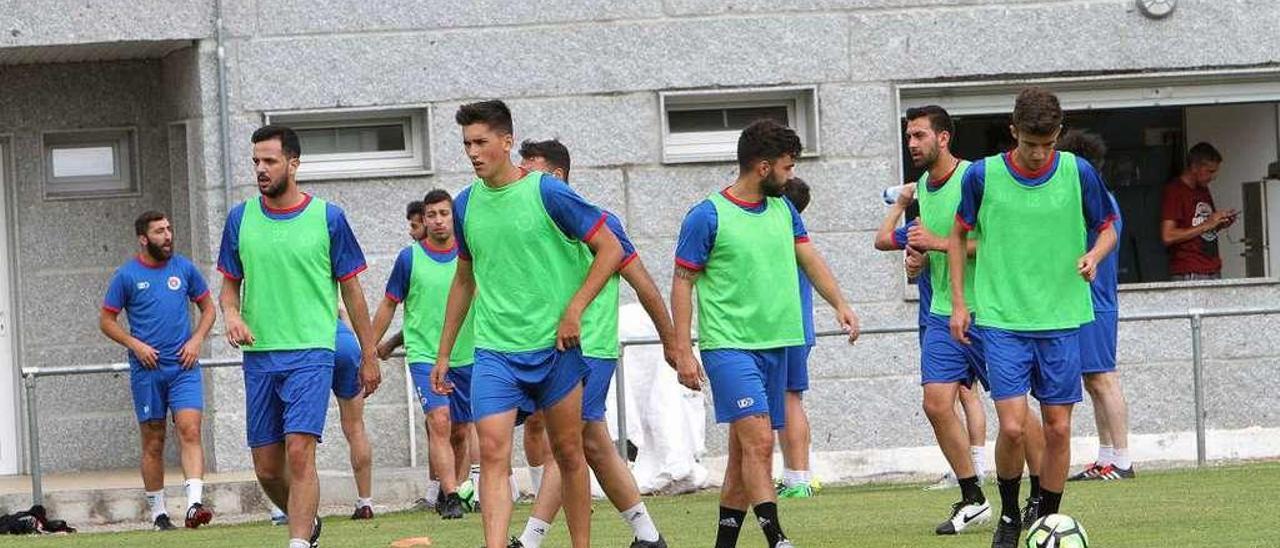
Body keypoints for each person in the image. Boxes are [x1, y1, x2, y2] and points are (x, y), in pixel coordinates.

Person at [432, 100, 625, 548]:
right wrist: (444, 352)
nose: (473, 153)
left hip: (556, 350)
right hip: (495, 351)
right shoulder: (464, 205)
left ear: (506, 141)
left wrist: (574, 309)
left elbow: (610, 249)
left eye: (481, 142)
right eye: (466, 144)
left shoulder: (548, 192)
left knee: (569, 452)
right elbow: (464, 279)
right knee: (494, 453)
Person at [673, 119, 860, 548]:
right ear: (762, 167)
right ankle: (777, 538)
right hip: (729, 346)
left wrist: (841, 304)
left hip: (778, 343)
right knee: (759, 441)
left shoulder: (784, 210)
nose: (791, 175)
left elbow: (810, 260)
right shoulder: (706, 216)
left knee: (744, 454)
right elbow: (682, 282)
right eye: (787, 167)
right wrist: (683, 350)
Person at [948, 88, 1117, 548]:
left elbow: (1108, 226)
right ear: (1013, 132)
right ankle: (1007, 514)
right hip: (1002, 320)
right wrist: (960, 305)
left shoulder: (1077, 172)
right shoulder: (982, 175)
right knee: (1016, 426)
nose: (1040, 153)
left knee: (1059, 427)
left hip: (1061, 319)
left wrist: (1095, 255)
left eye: (1047, 144)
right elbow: (958, 237)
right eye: (1029, 144)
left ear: (1058, 136)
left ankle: (1048, 519)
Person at [511, 139, 689, 548]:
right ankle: (648, 536)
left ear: (555, 176)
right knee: (593, 443)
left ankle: (530, 540)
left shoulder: (600, 222)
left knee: (568, 445)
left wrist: (672, 343)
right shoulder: (527, 224)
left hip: (588, 348)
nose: (520, 176)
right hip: (548, 347)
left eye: (529, 169)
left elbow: (644, 283)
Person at [218, 125, 381, 548]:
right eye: (256, 161)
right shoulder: (240, 218)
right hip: (260, 355)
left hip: (312, 350)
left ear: (293, 163)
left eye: (269, 160)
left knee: (299, 450)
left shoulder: (328, 218)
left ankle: (298, 542)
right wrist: (231, 314)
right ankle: (305, 522)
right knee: (267, 468)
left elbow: (353, 291)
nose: (260, 168)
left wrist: (368, 354)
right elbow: (230, 285)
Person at [872, 105, 991, 534]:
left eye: (919, 135)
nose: (912, 144)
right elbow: (899, 243)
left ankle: (1037, 499)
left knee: (1017, 418)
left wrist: (938, 243)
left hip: (990, 310)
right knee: (936, 403)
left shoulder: (975, 178)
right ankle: (973, 497)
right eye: (908, 137)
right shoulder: (923, 184)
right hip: (943, 313)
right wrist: (919, 260)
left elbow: (997, 243)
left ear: (944, 138)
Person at [100, 211, 216, 531]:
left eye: (169, 229)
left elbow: (208, 308)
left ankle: (194, 506)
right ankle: (159, 515)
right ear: (143, 238)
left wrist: (196, 340)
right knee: (154, 441)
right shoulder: (126, 276)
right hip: (147, 370)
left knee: (190, 430)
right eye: (159, 231)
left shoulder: (184, 269)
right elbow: (106, 321)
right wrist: (135, 344)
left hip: (184, 366)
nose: (167, 236)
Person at [372, 190, 473, 520]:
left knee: (460, 430)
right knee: (439, 421)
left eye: (445, 213)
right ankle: (453, 495)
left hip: (467, 353)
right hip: (425, 356)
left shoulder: (469, 255)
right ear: (424, 219)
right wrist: (369, 349)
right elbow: (391, 303)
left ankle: (453, 489)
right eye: (432, 215)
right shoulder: (409, 258)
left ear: (453, 217)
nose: (439, 220)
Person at [1058, 130, 1134, 482]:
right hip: (1085, 302)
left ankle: (1122, 459)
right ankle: (1106, 459)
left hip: (1096, 301)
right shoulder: (1095, 198)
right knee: (1093, 379)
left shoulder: (1099, 201)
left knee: (1104, 378)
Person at [775, 178, 821, 500]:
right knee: (789, 400)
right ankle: (796, 475)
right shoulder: (794, 235)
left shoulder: (785, 236)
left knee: (789, 400)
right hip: (796, 328)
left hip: (787, 329)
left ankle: (799, 479)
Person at [1161, 142, 1234, 281]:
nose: (1214, 176)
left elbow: (1202, 229)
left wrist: (1219, 224)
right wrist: (1206, 224)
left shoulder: (1203, 189)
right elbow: (1168, 236)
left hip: (1212, 267)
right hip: (1190, 270)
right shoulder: (1175, 191)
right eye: (1210, 171)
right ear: (1194, 167)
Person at [333, 312, 375, 519]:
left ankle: (289, 506)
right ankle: (365, 502)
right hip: (346, 341)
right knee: (356, 427)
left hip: (312, 342)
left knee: (300, 431)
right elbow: (344, 312)